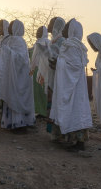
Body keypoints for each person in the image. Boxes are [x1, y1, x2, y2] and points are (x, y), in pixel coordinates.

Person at [49, 19, 93, 152]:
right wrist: (58, 62)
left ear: (72, 31)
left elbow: (74, 67)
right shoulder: (70, 45)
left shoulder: (73, 46)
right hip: (69, 86)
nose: (63, 30)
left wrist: (59, 63)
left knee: (76, 111)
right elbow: (67, 63)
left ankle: (80, 143)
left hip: (74, 88)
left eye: (66, 28)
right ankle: (69, 138)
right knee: (70, 110)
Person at [0, 20, 36, 130]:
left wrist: (6, 50)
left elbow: (21, 59)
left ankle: (20, 123)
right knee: (11, 96)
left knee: (19, 97)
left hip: (21, 76)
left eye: (11, 26)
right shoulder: (11, 40)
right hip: (13, 75)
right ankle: (12, 122)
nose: (9, 28)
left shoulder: (19, 41)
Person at [39, 17, 66, 134]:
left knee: (57, 103)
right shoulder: (52, 41)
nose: (48, 25)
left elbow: (64, 59)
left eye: (51, 23)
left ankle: (58, 132)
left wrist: (56, 61)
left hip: (59, 78)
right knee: (51, 101)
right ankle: (52, 132)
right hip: (51, 75)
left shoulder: (62, 41)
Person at [30, 26, 50, 116]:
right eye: (37, 31)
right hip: (40, 69)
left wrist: (32, 68)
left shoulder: (44, 42)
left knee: (40, 91)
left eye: (40, 31)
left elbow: (35, 58)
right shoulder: (40, 43)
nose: (37, 33)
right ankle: (40, 110)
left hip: (40, 69)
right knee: (38, 91)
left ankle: (42, 111)